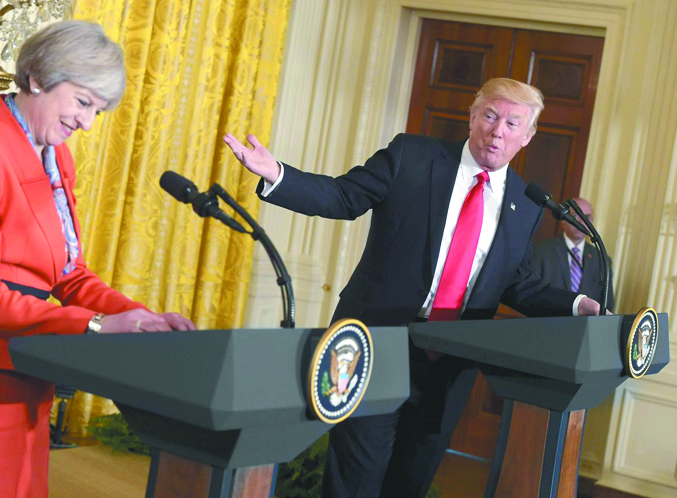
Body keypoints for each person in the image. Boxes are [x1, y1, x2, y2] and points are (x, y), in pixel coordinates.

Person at [223, 78, 602, 498]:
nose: (498, 131)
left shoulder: (526, 202)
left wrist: (577, 303)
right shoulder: (412, 157)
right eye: (491, 116)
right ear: (472, 116)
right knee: (356, 479)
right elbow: (343, 196)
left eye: (513, 124)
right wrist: (277, 174)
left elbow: (513, 280)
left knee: (411, 482)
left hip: (449, 361)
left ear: (527, 136)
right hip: (376, 342)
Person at [0, 20, 196, 497]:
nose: (87, 122)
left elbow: (69, 275)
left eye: (97, 111)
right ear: (38, 78)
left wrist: (138, 319)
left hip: (29, 371)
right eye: (83, 102)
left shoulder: (56, 157)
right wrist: (97, 326)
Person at [530, 197, 615, 311]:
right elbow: (532, 293)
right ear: (563, 220)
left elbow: (607, 304)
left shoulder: (602, 258)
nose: (581, 222)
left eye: (586, 217)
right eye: (575, 216)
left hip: (586, 322)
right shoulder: (541, 251)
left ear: (592, 220)